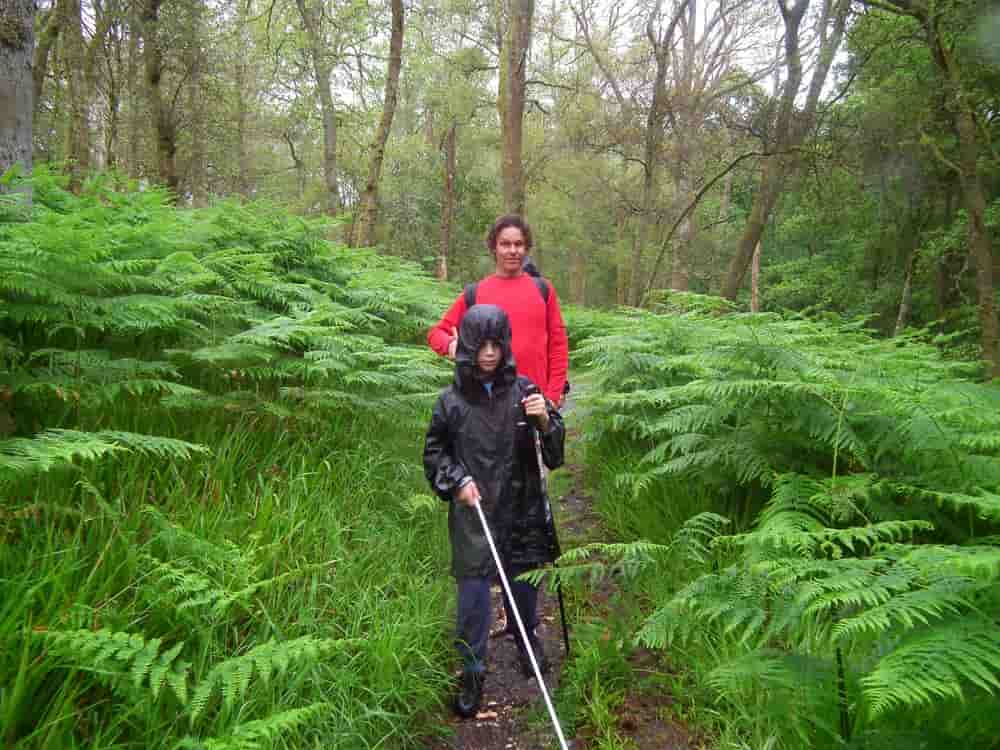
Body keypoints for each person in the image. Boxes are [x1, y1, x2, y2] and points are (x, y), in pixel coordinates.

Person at [423, 304, 565, 718]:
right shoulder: (449, 402)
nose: (488, 352)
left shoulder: (524, 391)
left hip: (521, 506)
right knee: (472, 596)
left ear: (505, 345)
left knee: (523, 583)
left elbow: (554, 454)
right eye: (479, 344)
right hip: (474, 513)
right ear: (465, 345)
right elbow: (435, 454)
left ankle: (526, 640)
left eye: (495, 344)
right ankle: (472, 669)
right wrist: (456, 482)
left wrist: (545, 423)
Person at [427, 214, 569, 407]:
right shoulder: (475, 293)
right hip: (488, 405)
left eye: (518, 244)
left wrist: (552, 396)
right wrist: (452, 345)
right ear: (494, 247)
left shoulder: (543, 289)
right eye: (505, 244)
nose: (512, 250)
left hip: (534, 402)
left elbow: (558, 344)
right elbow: (436, 334)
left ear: (526, 248)